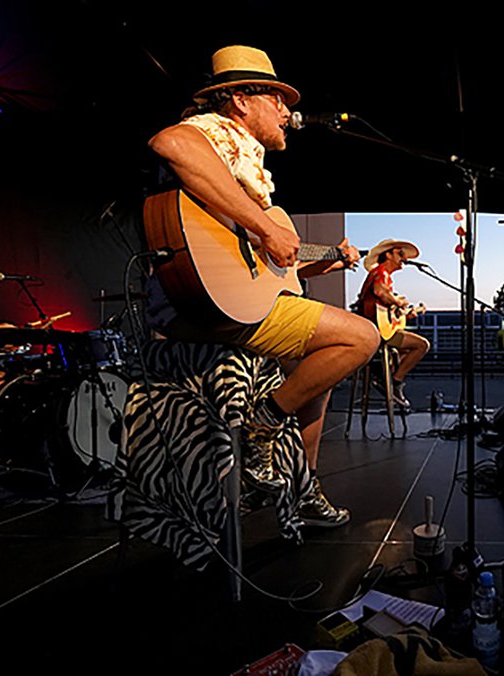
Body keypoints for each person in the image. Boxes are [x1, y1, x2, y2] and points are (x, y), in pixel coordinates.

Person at [147, 45, 379, 527]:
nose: (286, 111)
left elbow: (270, 272)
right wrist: (268, 228)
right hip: (196, 308)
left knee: (321, 377)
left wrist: (327, 260)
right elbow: (170, 142)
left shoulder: (245, 166)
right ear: (239, 101)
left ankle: (303, 485)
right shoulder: (216, 132)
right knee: (362, 336)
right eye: (276, 98)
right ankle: (262, 424)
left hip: (225, 302)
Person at [356, 239, 431, 408]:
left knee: (405, 352)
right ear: (388, 255)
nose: (404, 258)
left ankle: (386, 376)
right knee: (422, 345)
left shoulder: (383, 276)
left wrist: (405, 313)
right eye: (400, 254)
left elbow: (385, 311)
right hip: (376, 332)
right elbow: (380, 291)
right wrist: (397, 302)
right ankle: (394, 382)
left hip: (376, 330)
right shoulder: (381, 272)